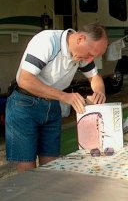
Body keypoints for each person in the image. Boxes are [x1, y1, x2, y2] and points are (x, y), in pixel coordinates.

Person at [5, 22, 108, 172]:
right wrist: (64, 96)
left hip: (52, 104)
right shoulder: (48, 41)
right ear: (80, 39)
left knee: (51, 164)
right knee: (27, 167)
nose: (91, 59)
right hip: (24, 104)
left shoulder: (83, 53)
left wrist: (99, 93)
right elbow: (25, 80)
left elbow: (95, 77)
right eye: (91, 54)